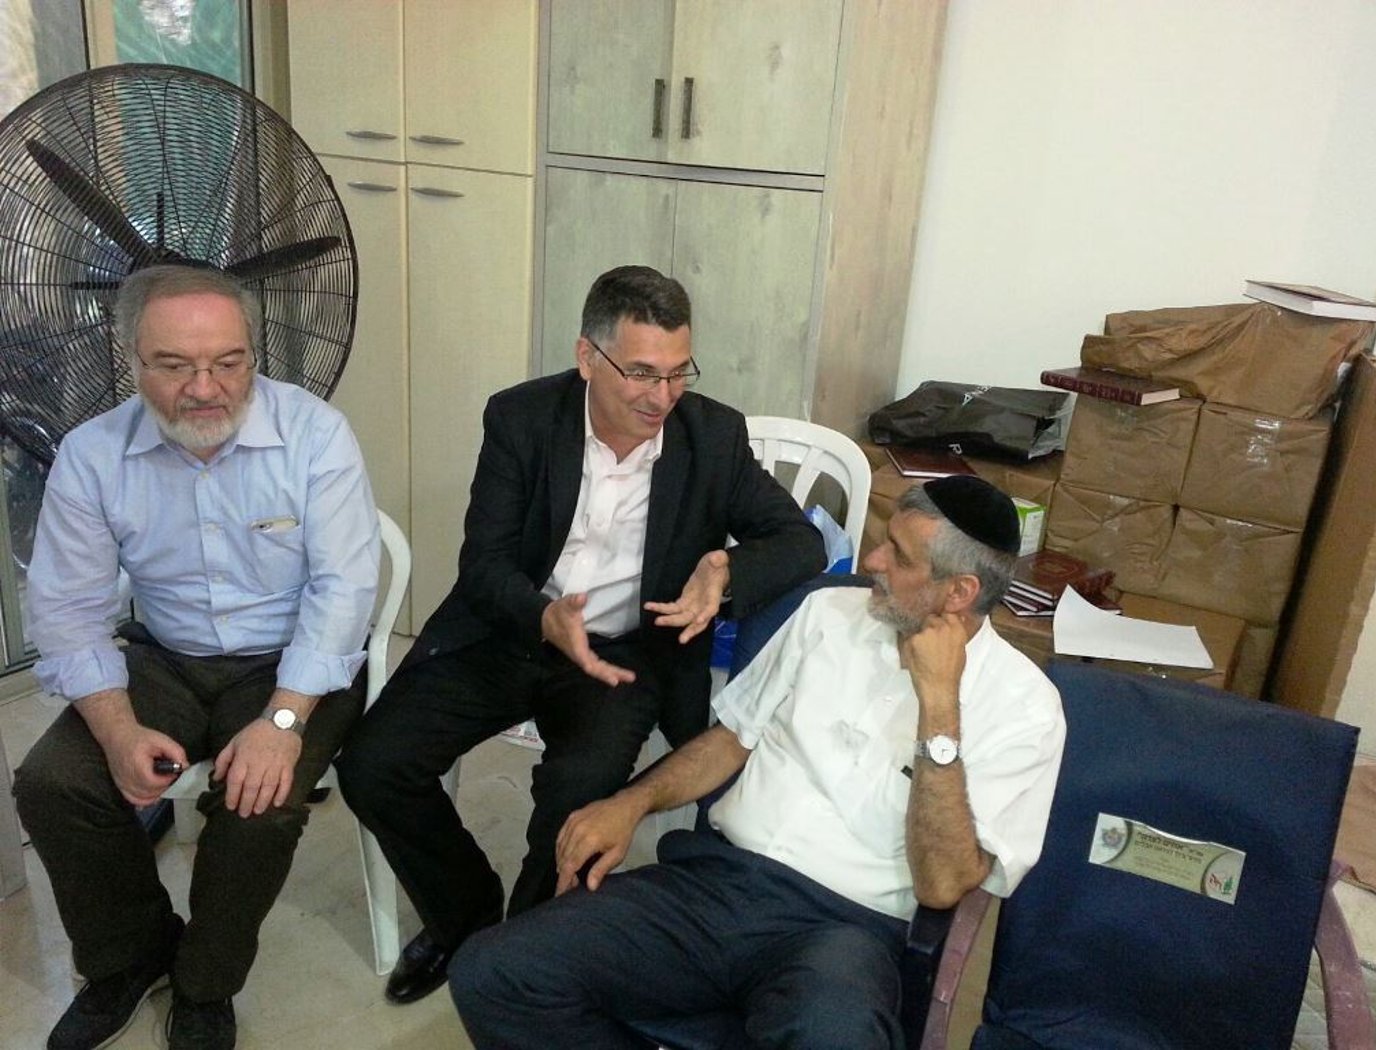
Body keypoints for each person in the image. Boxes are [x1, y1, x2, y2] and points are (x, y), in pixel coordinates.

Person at [336, 265, 826, 1005]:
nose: (662, 396)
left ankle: (523, 948)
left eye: (678, 372)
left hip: (623, 655)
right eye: (641, 372)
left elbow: (799, 542)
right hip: (512, 630)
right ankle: (466, 914)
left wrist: (724, 569)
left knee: (580, 793)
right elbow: (485, 563)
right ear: (587, 358)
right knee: (374, 763)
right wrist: (543, 616)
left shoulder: (713, 435)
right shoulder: (522, 419)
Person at [451, 476, 1067, 1050]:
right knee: (495, 971)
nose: (873, 561)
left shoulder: (1026, 708)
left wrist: (939, 708)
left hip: (842, 933)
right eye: (884, 541)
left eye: (899, 556)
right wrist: (629, 802)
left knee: (836, 1037)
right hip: (713, 884)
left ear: (959, 593)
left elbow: (942, 885)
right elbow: (731, 739)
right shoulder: (828, 614)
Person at [13, 264, 380, 1050]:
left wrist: (282, 722)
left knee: (260, 806)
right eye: (175, 366)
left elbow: (344, 590)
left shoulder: (315, 434)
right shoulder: (93, 454)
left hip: (291, 663)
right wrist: (117, 731)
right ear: (133, 361)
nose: (205, 389)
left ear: (254, 353)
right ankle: (132, 955)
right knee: (54, 782)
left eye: (228, 362)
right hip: (166, 655)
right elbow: (68, 609)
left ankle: (206, 985)